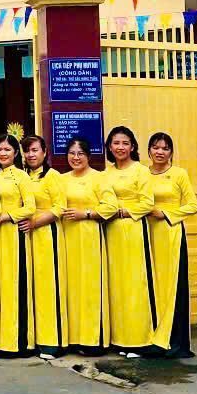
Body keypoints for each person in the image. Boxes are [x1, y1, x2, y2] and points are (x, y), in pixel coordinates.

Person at [59, 136, 117, 356]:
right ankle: (73, 338)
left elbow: (111, 206)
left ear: (88, 156)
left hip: (89, 237)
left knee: (90, 287)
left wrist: (87, 214)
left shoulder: (99, 178)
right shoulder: (61, 179)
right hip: (67, 238)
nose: (76, 158)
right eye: (72, 153)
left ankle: (93, 339)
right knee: (71, 287)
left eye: (80, 154)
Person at [103, 126, 157, 357]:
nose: (120, 147)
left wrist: (123, 211)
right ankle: (119, 339)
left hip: (133, 229)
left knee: (136, 284)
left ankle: (139, 340)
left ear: (133, 146)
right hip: (111, 232)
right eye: (116, 143)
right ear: (109, 146)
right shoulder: (105, 173)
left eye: (125, 143)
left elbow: (147, 203)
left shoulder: (141, 171)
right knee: (116, 284)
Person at [145, 132, 197, 358]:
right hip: (147, 234)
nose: (160, 152)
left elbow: (192, 205)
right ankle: (150, 337)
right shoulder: (142, 174)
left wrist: (166, 214)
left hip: (170, 234)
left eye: (165, 148)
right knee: (152, 284)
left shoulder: (179, 174)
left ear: (171, 152)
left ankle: (174, 342)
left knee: (172, 286)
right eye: (156, 147)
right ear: (149, 150)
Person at [19, 134, 68, 359]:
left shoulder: (52, 176)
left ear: (45, 152)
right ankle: (33, 340)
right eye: (27, 151)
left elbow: (60, 208)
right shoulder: (22, 176)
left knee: (48, 287)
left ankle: (52, 342)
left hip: (47, 235)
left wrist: (35, 222)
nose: (31, 155)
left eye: (35, 150)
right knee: (31, 288)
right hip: (26, 237)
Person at [0, 134, 37, 357]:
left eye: (7, 149)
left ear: (16, 153)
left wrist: (5, 217)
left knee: (16, 286)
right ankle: (2, 340)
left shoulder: (21, 176)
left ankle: (19, 343)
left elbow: (30, 207)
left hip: (14, 235)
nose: (3, 153)